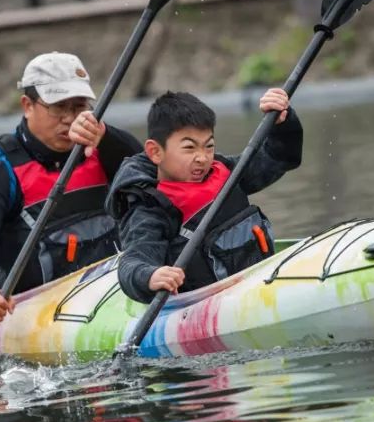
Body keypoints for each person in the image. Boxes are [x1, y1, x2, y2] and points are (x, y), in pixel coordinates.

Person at [0, 52, 141, 327]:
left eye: (79, 106)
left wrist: (107, 137)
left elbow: (154, 182)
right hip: (37, 305)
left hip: (111, 290)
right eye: (58, 107)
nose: (70, 119)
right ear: (27, 105)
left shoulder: (105, 145)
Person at [104, 89, 302, 303]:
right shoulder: (151, 207)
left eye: (208, 146)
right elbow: (133, 261)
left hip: (258, 281)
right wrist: (149, 276)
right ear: (155, 152)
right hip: (205, 303)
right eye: (189, 148)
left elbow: (279, 158)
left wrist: (283, 124)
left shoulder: (225, 171)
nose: (202, 158)